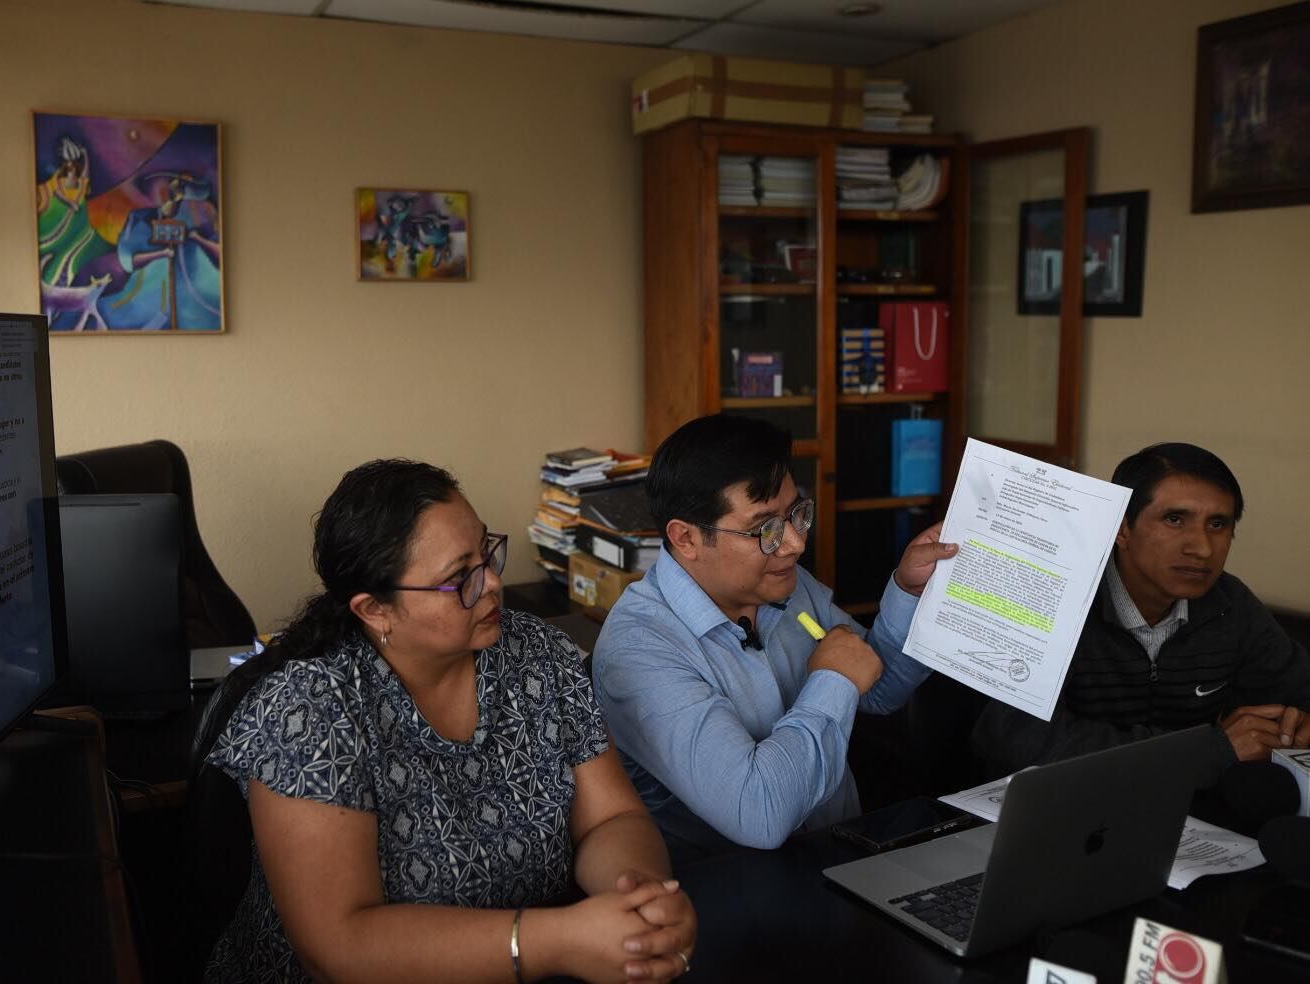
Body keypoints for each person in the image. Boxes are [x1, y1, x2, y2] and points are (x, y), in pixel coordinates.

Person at [202, 459, 697, 983]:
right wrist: (554, 941)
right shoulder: (309, 709)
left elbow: (610, 820)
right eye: (460, 577)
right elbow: (340, 946)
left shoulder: (537, 653)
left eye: (487, 552)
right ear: (375, 610)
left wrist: (638, 899)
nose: (492, 584)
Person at [592, 414, 958, 864]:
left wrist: (909, 591)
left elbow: (879, 689)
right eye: (764, 529)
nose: (794, 544)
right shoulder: (639, 650)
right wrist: (834, 679)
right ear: (686, 538)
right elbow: (759, 812)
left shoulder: (785, 583)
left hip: (845, 852)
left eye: (796, 515)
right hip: (740, 885)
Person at [972, 442, 1310, 779]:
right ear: (1122, 529)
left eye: (1218, 524)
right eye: (1175, 519)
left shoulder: (1229, 603)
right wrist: (1208, 751)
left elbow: (1299, 689)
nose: (1203, 548)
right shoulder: (1051, 597)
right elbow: (1019, 739)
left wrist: (1297, 724)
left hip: (1181, 802)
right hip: (1052, 799)